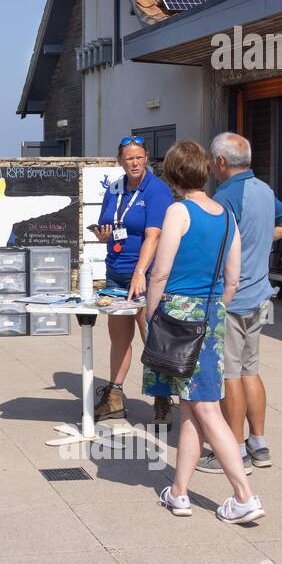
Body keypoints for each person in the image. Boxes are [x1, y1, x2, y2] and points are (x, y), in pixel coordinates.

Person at [144, 141, 264, 524]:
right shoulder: (225, 215)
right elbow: (233, 277)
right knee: (191, 406)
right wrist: (215, 306)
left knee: (207, 408)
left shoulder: (178, 211)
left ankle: (244, 495)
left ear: (174, 176)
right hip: (212, 313)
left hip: (178, 312)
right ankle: (179, 492)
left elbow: (160, 272)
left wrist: (151, 312)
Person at [197, 132, 282, 474]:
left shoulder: (225, 197)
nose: (211, 166)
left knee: (231, 375)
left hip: (231, 298)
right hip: (259, 294)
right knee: (251, 370)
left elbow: (215, 246)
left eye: (212, 160)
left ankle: (235, 450)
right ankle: (259, 443)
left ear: (220, 163)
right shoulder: (264, 190)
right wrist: (260, 241)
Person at [89, 136, 173, 424]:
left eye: (139, 157)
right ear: (120, 161)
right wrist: (103, 234)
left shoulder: (157, 191)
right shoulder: (114, 189)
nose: (134, 163)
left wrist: (140, 271)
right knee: (119, 337)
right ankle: (114, 397)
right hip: (116, 273)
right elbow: (109, 225)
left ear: (146, 158)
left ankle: (162, 399)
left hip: (146, 276)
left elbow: (154, 235)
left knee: (151, 338)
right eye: (129, 158)